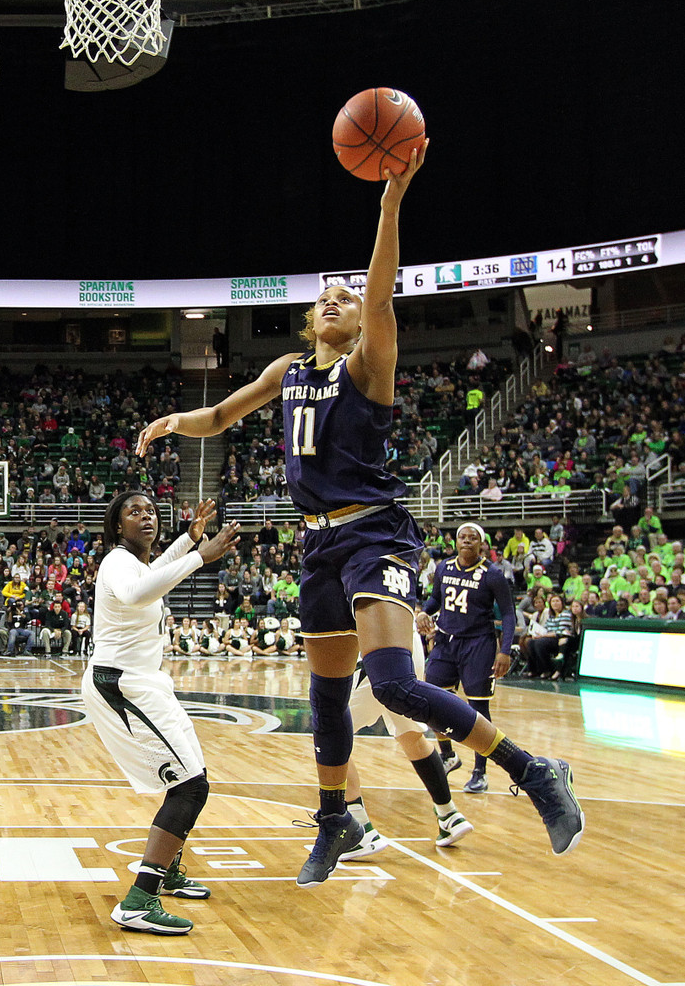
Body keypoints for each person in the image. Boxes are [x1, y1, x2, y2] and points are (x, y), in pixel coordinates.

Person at [138, 143, 583, 887]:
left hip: (374, 529)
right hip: (317, 545)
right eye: (327, 298)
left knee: (392, 684)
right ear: (312, 321)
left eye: (346, 295)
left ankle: (534, 772)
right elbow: (219, 414)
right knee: (323, 700)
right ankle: (335, 820)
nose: (339, 300)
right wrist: (172, 423)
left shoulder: (368, 364)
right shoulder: (286, 371)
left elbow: (380, 297)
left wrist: (388, 203)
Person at [81, 492, 239, 935]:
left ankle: (165, 870)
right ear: (117, 527)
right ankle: (139, 899)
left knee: (194, 773)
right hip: (121, 682)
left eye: (150, 510)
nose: (145, 515)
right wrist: (198, 558)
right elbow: (136, 592)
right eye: (134, 511)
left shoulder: (136, 562)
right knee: (190, 787)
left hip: (146, 681)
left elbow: (151, 576)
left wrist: (187, 541)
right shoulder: (116, 562)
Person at [343, 627, 473, 858]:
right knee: (409, 733)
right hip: (407, 640)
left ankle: (359, 832)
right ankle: (449, 815)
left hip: (376, 645)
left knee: (330, 734)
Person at [419, 523, 515, 794]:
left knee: (479, 711)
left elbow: (508, 614)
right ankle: (448, 755)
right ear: (456, 541)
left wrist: (504, 650)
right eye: (463, 537)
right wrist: (423, 612)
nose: (467, 541)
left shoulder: (492, 574)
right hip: (446, 643)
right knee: (432, 701)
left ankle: (480, 772)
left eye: (473, 538)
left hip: (478, 645)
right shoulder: (444, 568)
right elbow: (435, 600)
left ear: (481, 544)